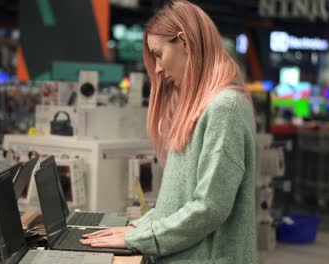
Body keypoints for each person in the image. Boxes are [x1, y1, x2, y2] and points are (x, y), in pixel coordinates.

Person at [80, 1, 257, 263]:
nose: (158, 69)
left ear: (184, 42)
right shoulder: (203, 106)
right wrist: (138, 229)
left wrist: (140, 238)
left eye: (158, 54)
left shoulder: (224, 108)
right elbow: (177, 202)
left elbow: (209, 208)